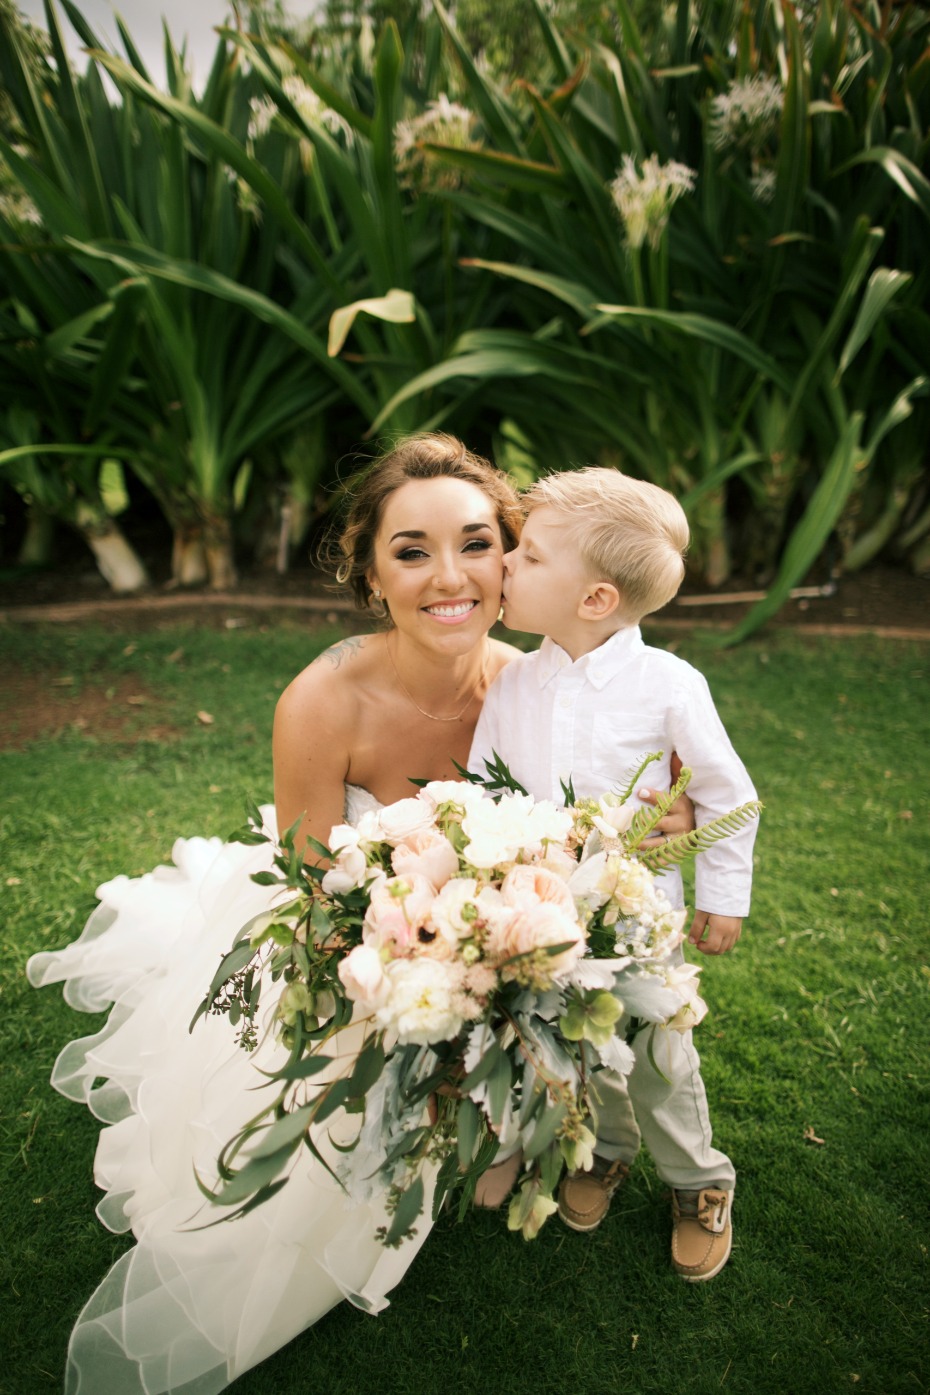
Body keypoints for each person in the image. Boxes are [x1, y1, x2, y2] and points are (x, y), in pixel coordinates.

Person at [27, 433, 696, 1395]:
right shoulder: (321, 700)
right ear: (369, 568)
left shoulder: (539, 687)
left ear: (516, 556)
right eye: (412, 551)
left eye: (477, 543)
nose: (452, 577)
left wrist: (652, 818)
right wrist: (426, 969)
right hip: (352, 941)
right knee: (313, 1166)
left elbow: (620, 806)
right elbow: (311, 896)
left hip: (488, 935)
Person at [468, 465, 759, 1283]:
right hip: (551, 914)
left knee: (663, 1055)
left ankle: (699, 1179)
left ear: (595, 598)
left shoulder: (669, 685)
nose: (507, 565)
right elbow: (485, 783)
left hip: (646, 919)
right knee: (585, 1043)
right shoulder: (516, 681)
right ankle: (606, 1151)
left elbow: (728, 796)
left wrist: (723, 899)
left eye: (527, 555)